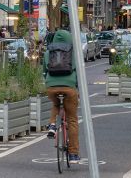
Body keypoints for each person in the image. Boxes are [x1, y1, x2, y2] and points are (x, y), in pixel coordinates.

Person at [43, 29, 80, 164]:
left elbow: (44, 71)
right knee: (72, 120)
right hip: (69, 88)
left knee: (55, 104)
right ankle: (74, 154)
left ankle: (52, 125)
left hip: (51, 87)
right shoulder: (73, 53)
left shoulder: (48, 52)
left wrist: (48, 82)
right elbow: (79, 73)